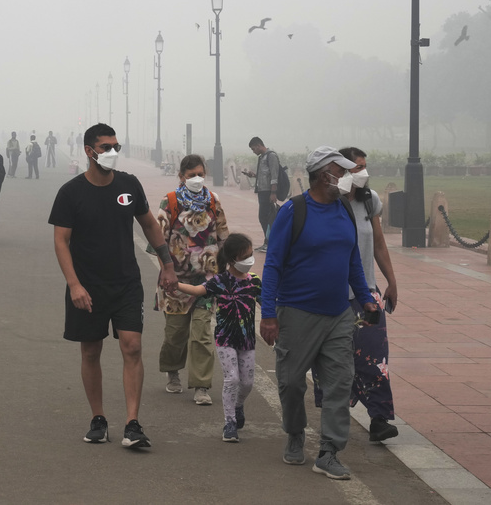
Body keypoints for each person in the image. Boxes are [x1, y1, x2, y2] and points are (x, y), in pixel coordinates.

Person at [49, 123, 178, 449]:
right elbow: (61, 241)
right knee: (91, 350)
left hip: (125, 282)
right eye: (105, 147)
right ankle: (98, 419)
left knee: (132, 347)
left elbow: (149, 223)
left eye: (115, 146)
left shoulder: (128, 185)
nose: (111, 152)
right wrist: (74, 285)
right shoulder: (70, 193)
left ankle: (133, 424)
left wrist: (167, 264)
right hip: (87, 286)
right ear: (89, 151)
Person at [259, 145, 380, 480]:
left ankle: (329, 451)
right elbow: (272, 265)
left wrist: (366, 296)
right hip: (296, 313)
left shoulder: (345, 210)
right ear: (321, 175)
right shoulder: (294, 211)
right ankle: (295, 432)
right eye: (339, 171)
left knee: (340, 382)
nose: (345, 177)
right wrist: (268, 314)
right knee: (292, 382)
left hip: (339, 314)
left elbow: (352, 259)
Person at [311, 147, 400, 443]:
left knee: (375, 356)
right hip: (332, 295)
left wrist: (391, 280)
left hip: (366, 293)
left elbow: (378, 244)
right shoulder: (327, 203)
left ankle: (379, 419)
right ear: (338, 172)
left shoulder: (369, 200)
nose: (362, 172)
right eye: (355, 168)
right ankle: (333, 418)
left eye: (364, 166)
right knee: (332, 360)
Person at [155, 154, 230, 406]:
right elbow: (159, 241)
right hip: (175, 281)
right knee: (175, 334)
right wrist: (167, 271)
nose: (197, 179)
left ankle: (201, 385)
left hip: (206, 281)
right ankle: (173, 370)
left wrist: (227, 272)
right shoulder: (171, 201)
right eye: (191, 176)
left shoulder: (213, 201)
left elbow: (222, 236)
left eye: (200, 174)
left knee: (202, 335)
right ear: (181, 176)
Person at [174, 233, 260, 442]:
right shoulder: (220, 281)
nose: (250, 259)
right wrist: (174, 284)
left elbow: (268, 308)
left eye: (250, 254)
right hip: (225, 338)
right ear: (231, 260)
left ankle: (238, 406)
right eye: (245, 256)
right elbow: (196, 290)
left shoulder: (255, 281)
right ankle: (229, 422)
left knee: (247, 382)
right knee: (232, 379)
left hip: (247, 339)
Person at [242, 137, 281, 252]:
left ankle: (269, 242)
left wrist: (273, 192)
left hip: (268, 192)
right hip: (262, 191)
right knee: (265, 217)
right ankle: (267, 241)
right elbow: (265, 174)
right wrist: (253, 175)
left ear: (259, 145)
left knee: (267, 217)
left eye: (254, 149)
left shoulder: (271, 156)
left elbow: (274, 176)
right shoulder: (263, 157)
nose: (253, 151)